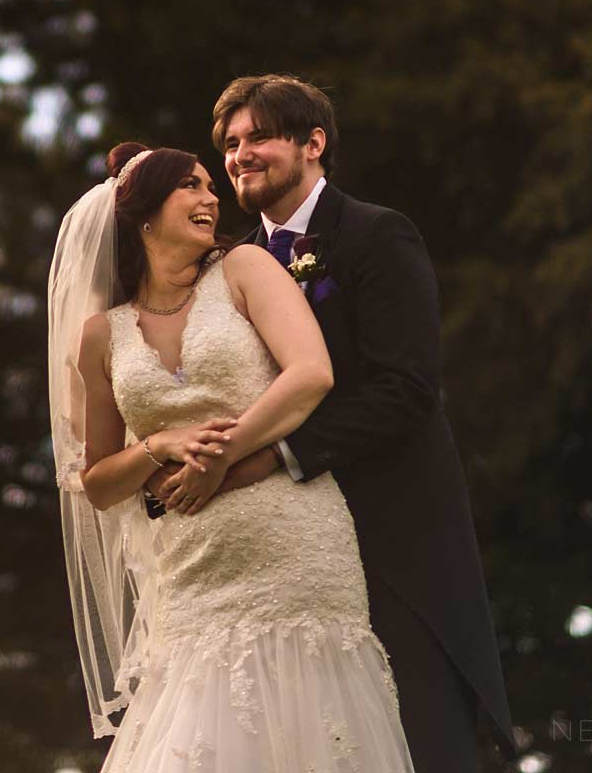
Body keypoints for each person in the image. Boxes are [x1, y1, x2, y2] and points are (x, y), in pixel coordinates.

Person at [140, 75, 515, 772]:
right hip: (272, 562)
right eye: (229, 143)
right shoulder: (225, 269)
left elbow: (407, 387)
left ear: (313, 143)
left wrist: (261, 457)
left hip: (391, 532)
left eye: (258, 136)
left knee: (417, 736)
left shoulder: (376, 234)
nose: (239, 154)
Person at [47, 140, 416, 772]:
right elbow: (99, 481)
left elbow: (310, 374)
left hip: (296, 546)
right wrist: (156, 446)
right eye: (190, 186)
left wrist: (222, 456)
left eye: (209, 186)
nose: (211, 197)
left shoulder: (245, 269)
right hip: (192, 573)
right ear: (142, 216)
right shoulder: (102, 335)